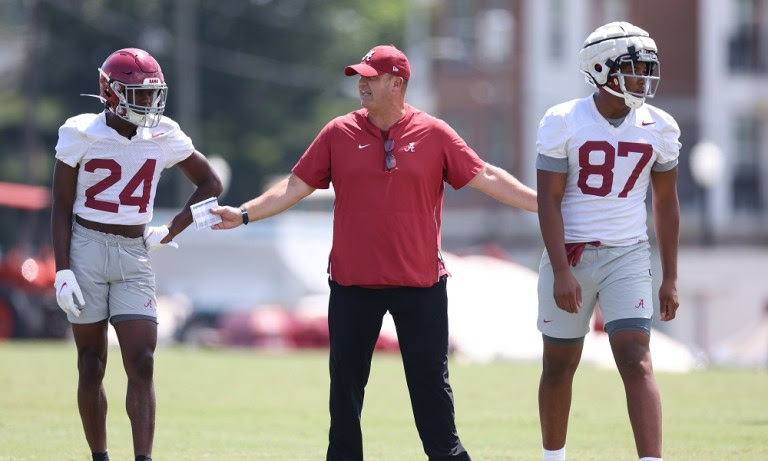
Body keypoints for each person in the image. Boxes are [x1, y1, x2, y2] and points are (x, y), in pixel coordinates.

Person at [211, 44, 537, 460]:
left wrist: (543, 205)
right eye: (359, 77)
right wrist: (244, 214)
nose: (361, 84)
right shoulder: (337, 132)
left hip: (420, 284)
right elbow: (295, 185)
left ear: (397, 83)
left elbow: (485, 174)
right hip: (353, 284)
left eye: (370, 76)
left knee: (431, 390)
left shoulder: (435, 133)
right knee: (344, 392)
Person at [51, 48, 223, 461]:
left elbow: (210, 183)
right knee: (91, 362)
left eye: (151, 95)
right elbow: (59, 204)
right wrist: (62, 271)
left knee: (143, 360)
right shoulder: (81, 132)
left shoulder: (163, 133)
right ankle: (100, 456)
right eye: (137, 94)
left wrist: (170, 229)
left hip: (134, 253)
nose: (147, 103)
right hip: (85, 248)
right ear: (109, 92)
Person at [535, 22, 680, 461]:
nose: (644, 79)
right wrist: (561, 269)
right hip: (573, 252)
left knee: (636, 356)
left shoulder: (660, 126)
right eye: (635, 69)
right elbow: (549, 200)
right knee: (559, 365)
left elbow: (666, 204)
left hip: (628, 254)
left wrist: (670, 276)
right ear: (601, 69)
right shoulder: (563, 120)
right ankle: (553, 458)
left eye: (647, 69)